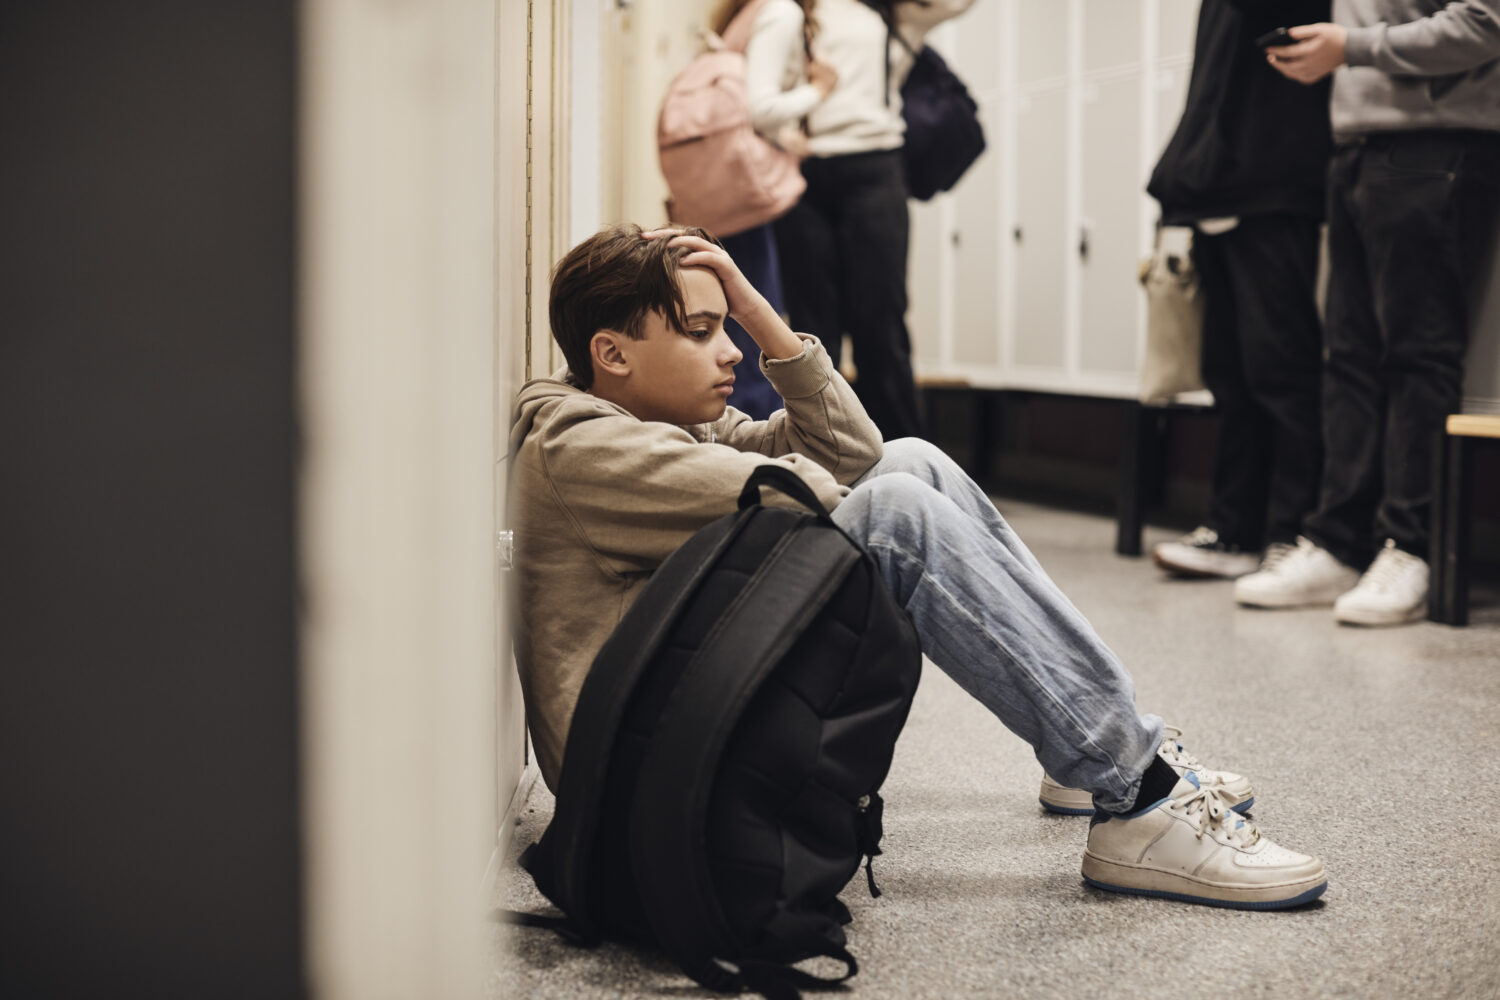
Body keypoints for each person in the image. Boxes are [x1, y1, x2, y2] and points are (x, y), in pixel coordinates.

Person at [509, 222, 1328, 910]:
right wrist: (861, 490)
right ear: (611, 355)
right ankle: (1136, 792)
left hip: (685, 732)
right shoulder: (581, 448)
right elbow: (810, 492)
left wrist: (762, 316)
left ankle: (1090, 750)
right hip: (649, 790)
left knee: (911, 461)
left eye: (727, 327)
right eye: (700, 332)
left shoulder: (659, 427)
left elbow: (856, 452)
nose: (727, 351)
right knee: (893, 511)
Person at [1241, 0, 1500, 625]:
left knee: (1419, 355)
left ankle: (1412, 546)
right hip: (1355, 142)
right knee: (1349, 357)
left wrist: (1352, 47)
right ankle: (1340, 541)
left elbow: (1484, 24)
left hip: (1435, 145)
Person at [1145, 0, 1331, 582]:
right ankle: (1235, 530)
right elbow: (1212, 88)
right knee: (1229, 374)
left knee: (1282, 371)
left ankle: (1293, 531)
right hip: (1215, 188)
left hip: (1273, 188)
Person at [757, 0, 975, 440]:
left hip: (876, 169)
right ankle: (820, 452)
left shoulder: (894, 13)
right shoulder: (793, 11)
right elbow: (762, 102)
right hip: (806, 176)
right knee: (812, 327)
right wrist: (785, 132)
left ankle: (901, 459)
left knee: (882, 322)